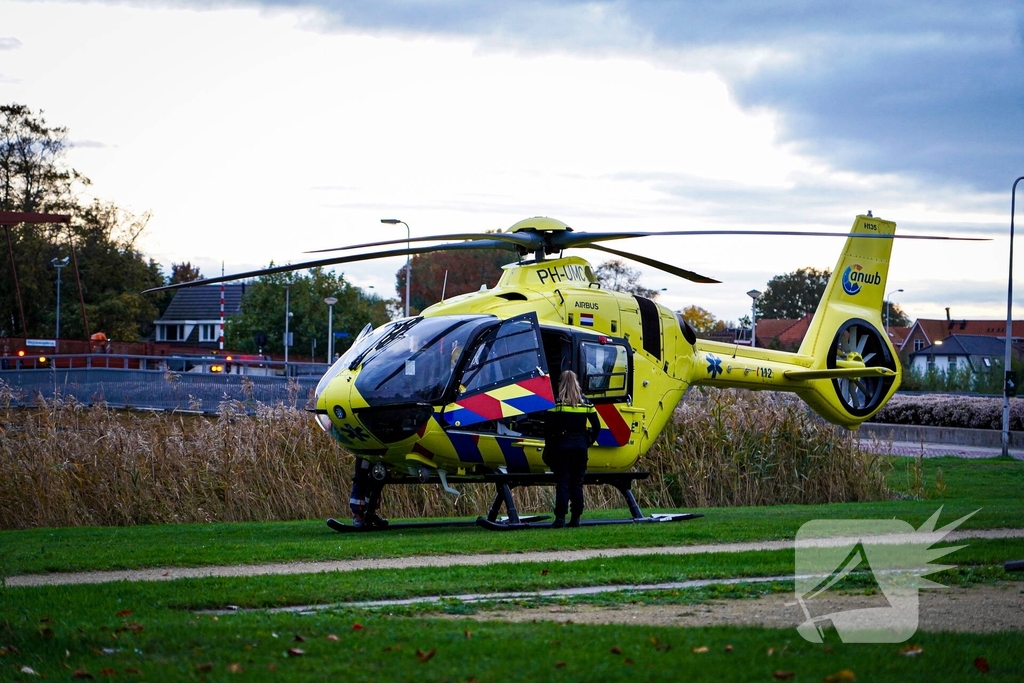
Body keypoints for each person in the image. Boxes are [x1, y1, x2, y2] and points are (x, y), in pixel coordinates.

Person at [542, 370, 600, 528]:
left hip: (562, 446)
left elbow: (547, 428)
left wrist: (551, 446)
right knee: (577, 483)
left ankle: (560, 518)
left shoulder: (556, 403)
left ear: (561, 383)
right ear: (577, 383)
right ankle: (576, 518)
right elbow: (597, 426)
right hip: (580, 446)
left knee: (563, 482)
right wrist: (588, 440)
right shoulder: (586, 403)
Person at [350, 457, 389, 529]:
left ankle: (370, 513)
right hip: (366, 452)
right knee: (360, 479)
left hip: (381, 454)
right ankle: (359, 515)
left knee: (378, 479)